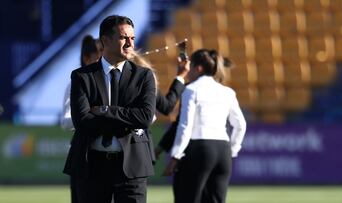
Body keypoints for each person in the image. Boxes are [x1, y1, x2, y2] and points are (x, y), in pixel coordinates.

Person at [63, 15, 157, 203]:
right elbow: (82, 121)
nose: (130, 44)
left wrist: (106, 110)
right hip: (92, 166)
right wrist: (127, 122)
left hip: (133, 167)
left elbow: (145, 117)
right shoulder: (82, 76)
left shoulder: (144, 76)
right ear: (106, 40)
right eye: (124, 38)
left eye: (132, 38)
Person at [164, 49, 247, 203]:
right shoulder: (227, 92)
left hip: (200, 148)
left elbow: (185, 126)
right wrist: (232, 150)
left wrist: (176, 155)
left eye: (191, 66)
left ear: (199, 68)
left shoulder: (191, 89)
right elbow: (240, 125)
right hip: (223, 150)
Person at [60, 34, 102, 203]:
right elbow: (65, 122)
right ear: (86, 58)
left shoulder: (116, 80)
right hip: (84, 156)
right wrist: (89, 113)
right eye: (98, 56)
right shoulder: (75, 83)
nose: (102, 60)